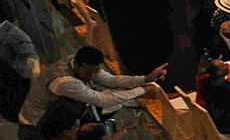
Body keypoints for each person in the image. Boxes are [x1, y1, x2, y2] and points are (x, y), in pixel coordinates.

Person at [21, 45, 164, 126]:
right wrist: (141, 90)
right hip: (37, 122)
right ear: (77, 65)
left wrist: (146, 78)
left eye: (96, 72)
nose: (92, 76)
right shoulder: (65, 82)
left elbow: (112, 81)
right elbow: (103, 100)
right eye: (89, 72)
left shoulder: (82, 63)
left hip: (61, 112)